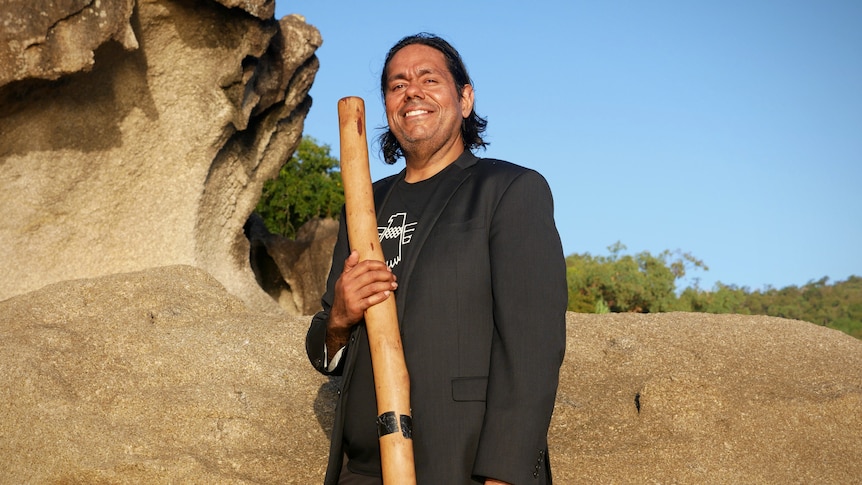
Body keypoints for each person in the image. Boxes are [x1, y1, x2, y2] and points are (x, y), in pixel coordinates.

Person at [306, 33, 567, 485]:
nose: (412, 93)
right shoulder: (364, 204)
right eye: (397, 84)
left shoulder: (507, 191)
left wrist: (504, 475)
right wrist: (340, 320)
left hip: (461, 468)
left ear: (465, 99)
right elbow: (323, 349)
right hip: (363, 471)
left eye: (430, 79)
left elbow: (532, 351)